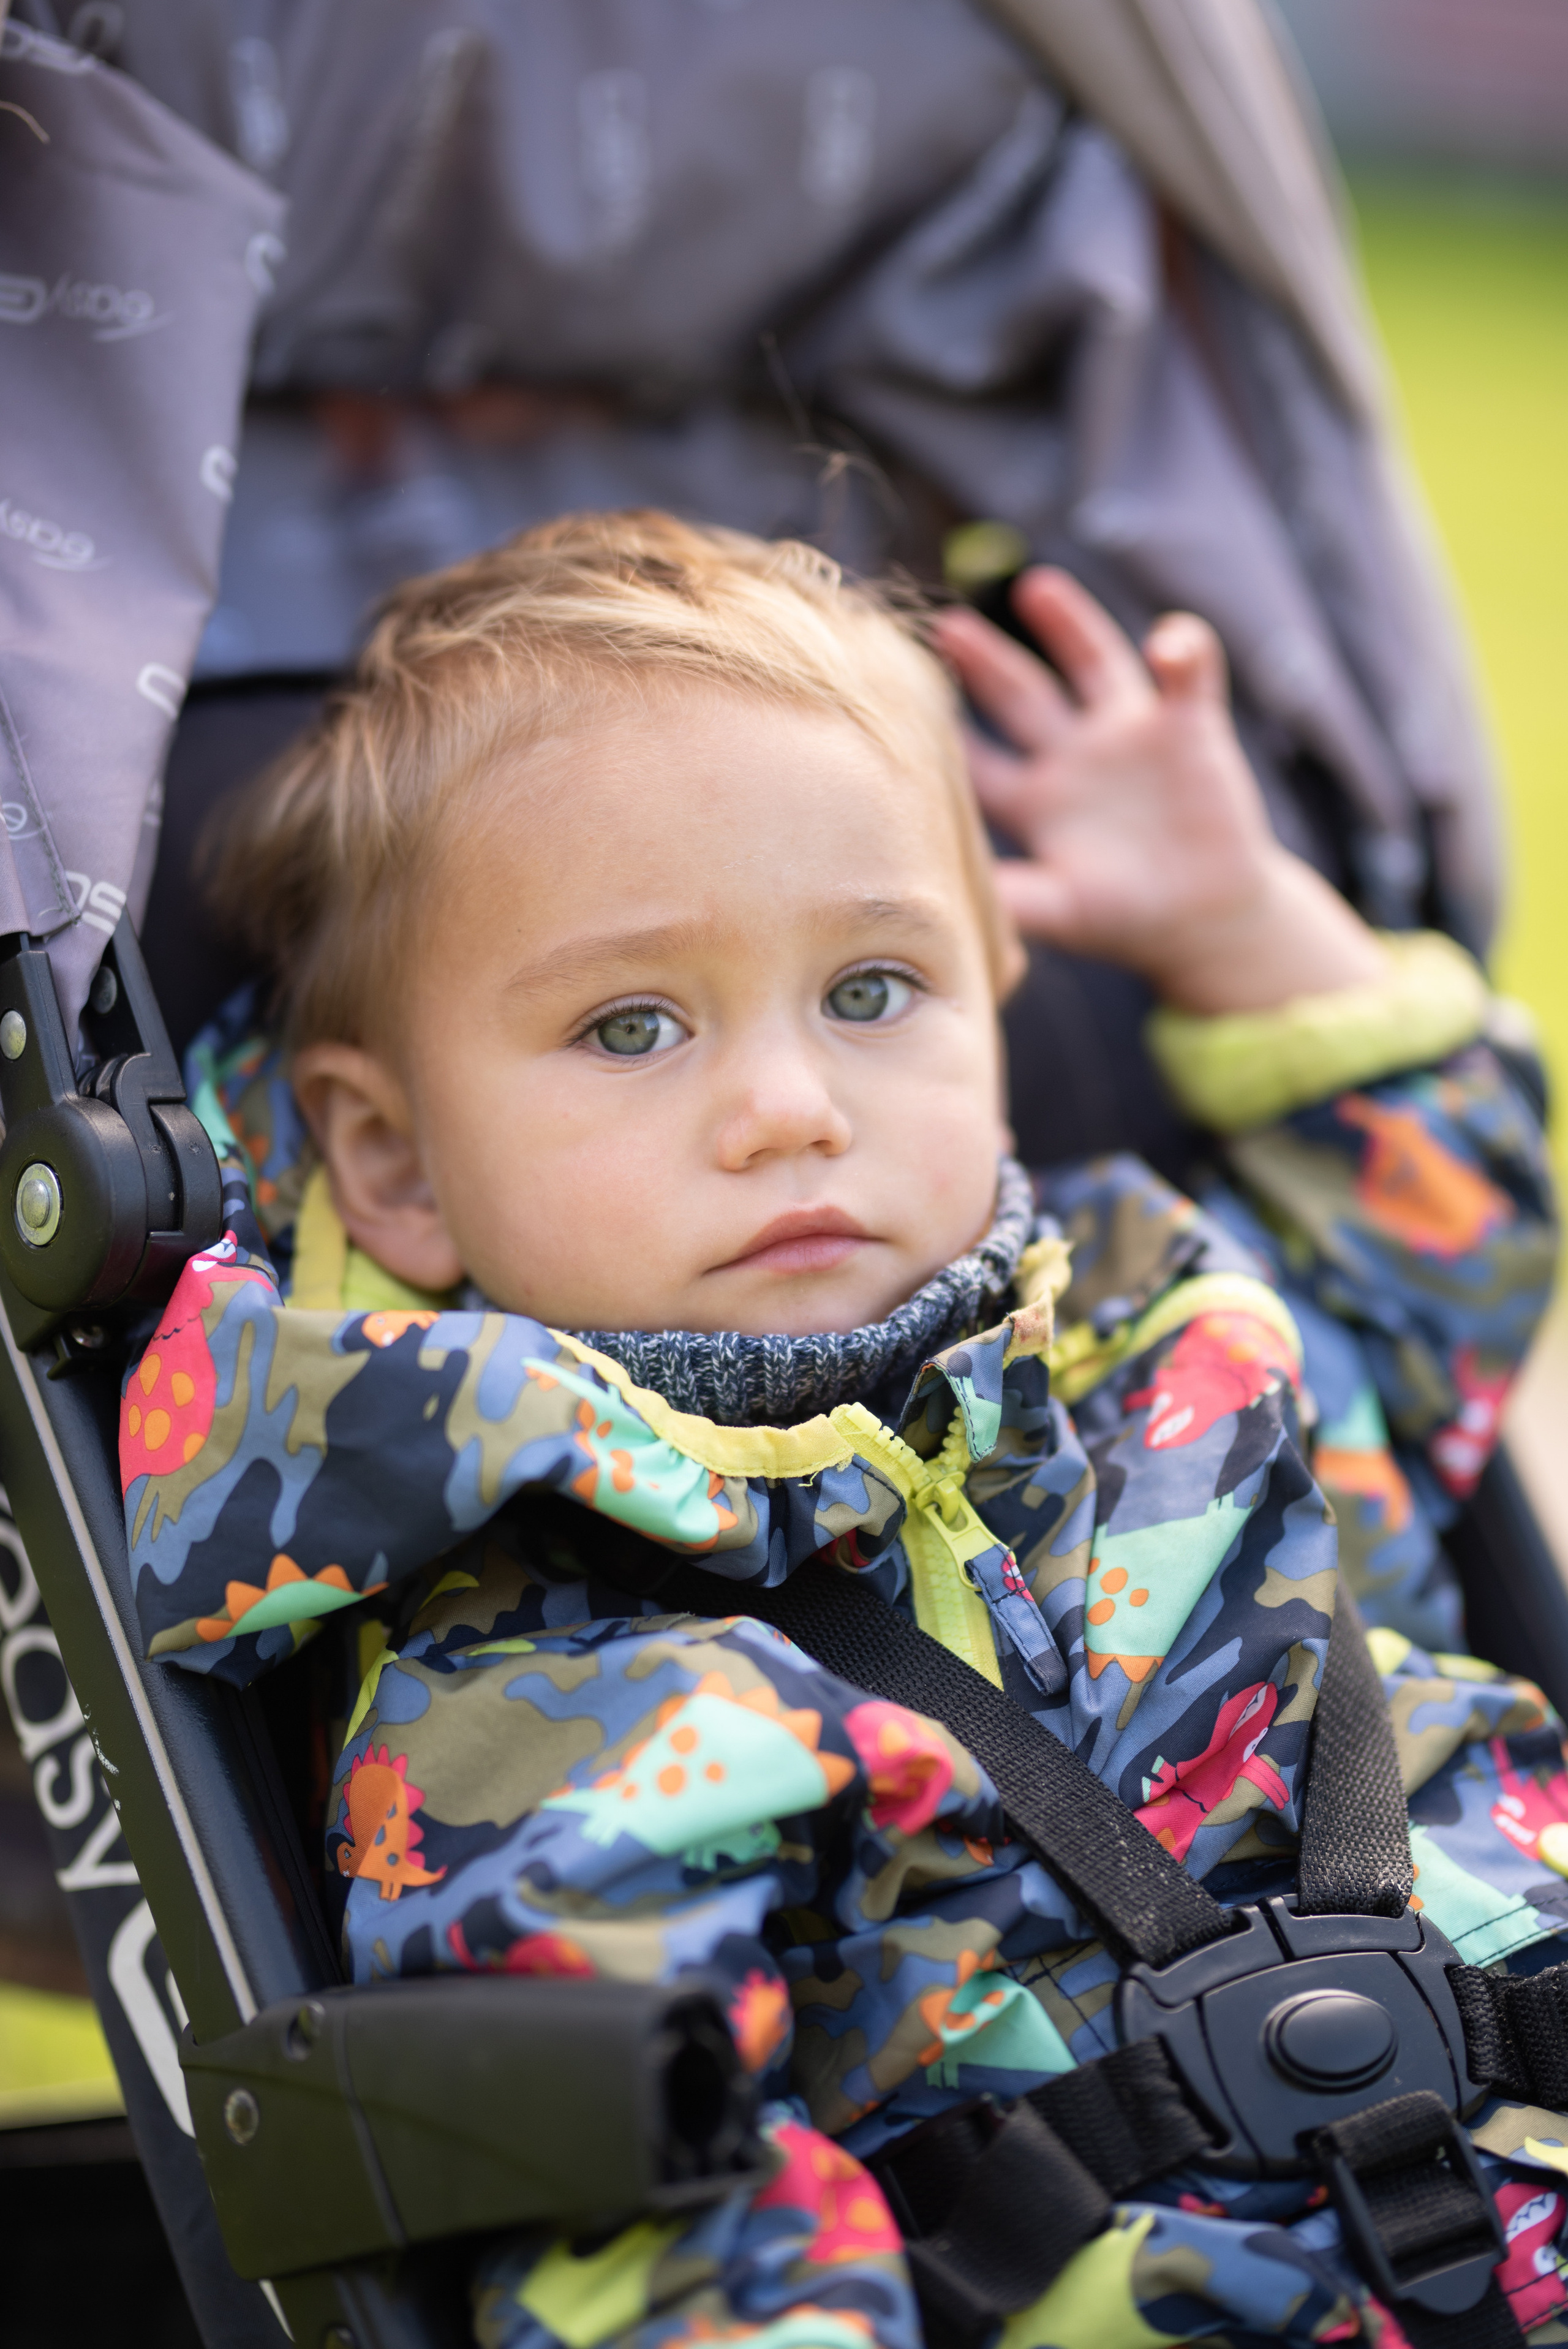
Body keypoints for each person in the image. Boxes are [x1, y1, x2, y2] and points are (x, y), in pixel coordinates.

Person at [123, 513, 1559, 2347]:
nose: (791, 1106)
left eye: (873, 991)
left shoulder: (1193, 1329)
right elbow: (657, 2238)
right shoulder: (553, 1673)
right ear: (394, 1159)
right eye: (634, 1026)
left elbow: (1444, 1232)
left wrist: (1237, 915)